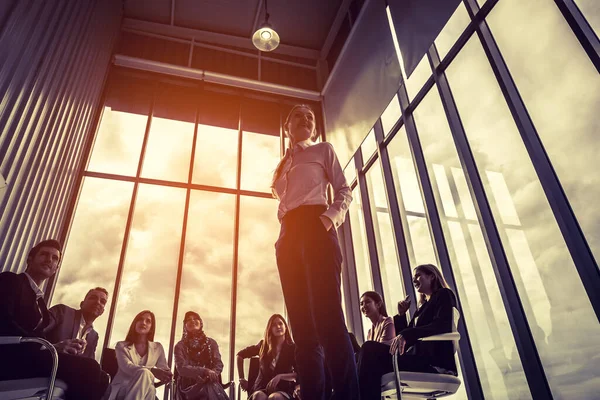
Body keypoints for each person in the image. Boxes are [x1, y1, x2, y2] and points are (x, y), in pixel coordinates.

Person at [271, 104, 358, 400]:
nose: (305, 118)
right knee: (302, 330)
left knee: (329, 319)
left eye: (310, 116)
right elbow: (284, 202)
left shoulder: (323, 150)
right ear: (287, 126)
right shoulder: (282, 166)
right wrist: (284, 236)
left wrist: (327, 219)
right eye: (298, 114)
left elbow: (344, 190)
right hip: (288, 235)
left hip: (317, 226)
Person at [0, 239, 109, 400]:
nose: (49, 260)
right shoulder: (11, 280)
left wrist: (55, 347)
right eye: (44, 254)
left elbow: (41, 337)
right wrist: (47, 348)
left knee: (102, 378)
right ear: (30, 259)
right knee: (90, 369)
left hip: (32, 357)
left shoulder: (40, 304)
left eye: (55, 258)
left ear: (56, 269)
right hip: (11, 355)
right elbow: (3, 321)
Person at [358, 264, 459, 400]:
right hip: (418, 359)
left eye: (418, 275)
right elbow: (406, 335)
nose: (414, 280)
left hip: (432, 362)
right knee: (365, 356)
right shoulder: (421, 308)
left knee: (369, 349)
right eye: (413, 278)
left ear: (432, 276)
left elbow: (442, 325)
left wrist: (407, 334)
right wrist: (401, 316)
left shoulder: (444, 294)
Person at [108, 310, 173, 400]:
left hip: (146, 392)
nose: (143, 322)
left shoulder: (157, 347)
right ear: (135, 323)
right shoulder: (121, 346)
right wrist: (152, 371)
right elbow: (127, 367)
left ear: (151, 327)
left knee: (150, 388)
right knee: (145, 376)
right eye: (140, 319)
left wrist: (166, 375)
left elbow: (164, 369)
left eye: (148, 321)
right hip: (123, 388)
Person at [237, 314, 297, 400]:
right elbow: (240, 355)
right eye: (274, 325)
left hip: (284, 389)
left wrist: (280, 376)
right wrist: (241, 378)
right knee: (259, 396)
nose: (278, 326)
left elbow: (298, 374)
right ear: (270, 329)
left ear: (286, 327)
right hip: (262, 388)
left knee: (275, 397)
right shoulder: (263, 346)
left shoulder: (292, 348)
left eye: (280, 323)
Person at [174, 311, 228, 400]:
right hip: (187, 386)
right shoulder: (180, 346)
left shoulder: (211, 343)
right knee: (208, 388)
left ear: (201, 323)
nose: (192, 321)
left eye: (195, 319)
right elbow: (181, 369)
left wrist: (209, 375)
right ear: (185, 325)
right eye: (188, 320)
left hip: (209, 381)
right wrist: (204, 371)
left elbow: (218, 364)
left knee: (208, 386)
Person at [46, 287, 109, 359]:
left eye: (103, 302)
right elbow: (34, 334)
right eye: (93, 298)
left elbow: (89, 362)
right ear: (82, 304)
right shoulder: (62, 311)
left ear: (102, 312)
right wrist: (54, 348)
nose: (98, 302)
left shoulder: (94, 336)